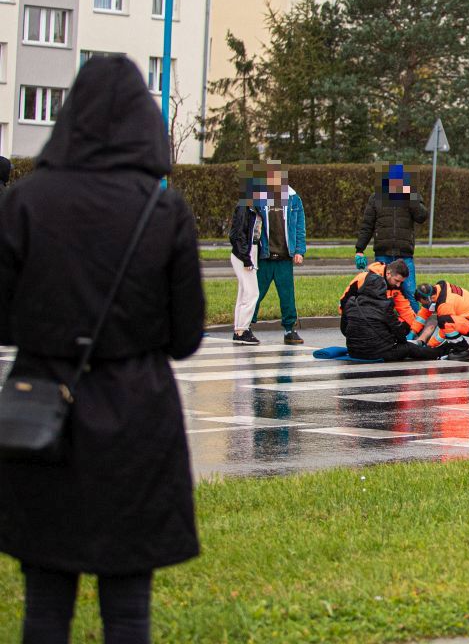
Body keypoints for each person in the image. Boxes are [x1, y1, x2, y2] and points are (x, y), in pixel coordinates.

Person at [0, 55, 205, 643]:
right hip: (137, 417)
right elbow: (187, 337)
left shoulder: (24, 202)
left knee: (43, 604)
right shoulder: (163, 210)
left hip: (41, 411)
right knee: (128, 609)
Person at [355, 164, 428, 312]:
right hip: (383, 254)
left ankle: (415, 328)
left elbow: (421, 216)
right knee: (379, 292)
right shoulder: (376, 197)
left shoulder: (412, 196)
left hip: (404, 254)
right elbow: (367, 225)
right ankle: (379, 323)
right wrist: (359, 249)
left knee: (409, 292)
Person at [252, 162, 307, 345]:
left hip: (285, 256)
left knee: (287, 295)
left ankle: (290, 329)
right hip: (264, 257)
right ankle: (246, 326)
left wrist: (299, 250)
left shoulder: (293, 199)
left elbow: (299, 227)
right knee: (256, 293)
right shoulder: (258, 198)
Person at [340, 268, 413, 362]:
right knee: (410, 348)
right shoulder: (384, 305)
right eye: (397, 281)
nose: (398, 285)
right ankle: (435, 353)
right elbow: (397, 328)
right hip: (375, 352)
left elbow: (405, 310)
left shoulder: (352, 301)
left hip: (353, 350)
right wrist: (402, 343)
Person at [410, 281, 469, 361]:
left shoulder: (445, 304)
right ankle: (457, 345)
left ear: (430, 298)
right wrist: (412, 332)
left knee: (445, 322)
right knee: (446, 322)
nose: (423, 305)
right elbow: (424, 312)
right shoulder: (439, 289)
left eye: (423, 303)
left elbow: (444, 330)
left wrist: (430, 346)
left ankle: (464, 350)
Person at [229, 166, 265, 344]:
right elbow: (237, 234)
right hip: (244, 253)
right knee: (252, 293)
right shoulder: (244, 206)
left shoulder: (252, 207)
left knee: (244, 292)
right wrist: (246, 258)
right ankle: (243, 330)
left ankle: (239, 329)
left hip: (250, 252)